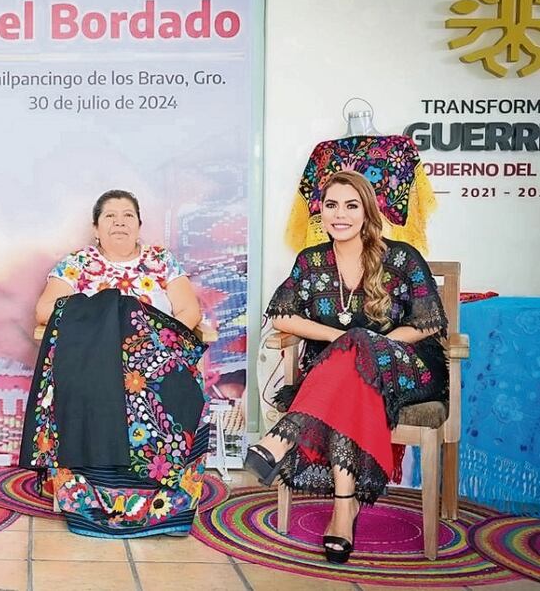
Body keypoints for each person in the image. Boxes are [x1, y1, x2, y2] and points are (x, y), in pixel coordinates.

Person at [245, 169, 448, 564]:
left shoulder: (401, 257)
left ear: (367, 211)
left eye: (351, 205)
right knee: (351, 369)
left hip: (405, 367)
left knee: (357, 346)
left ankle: (280, 440)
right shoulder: (312, 261)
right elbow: (283, 317)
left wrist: (371, 345)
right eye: (332, 205)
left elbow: (427, 323)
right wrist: (344, 341)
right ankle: (344, 510)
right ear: (321, 211)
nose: (340, 214)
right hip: (341, 375)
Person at [23, 189, 208, 538]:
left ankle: (166, 509)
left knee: (174, 388)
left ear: (140, 225)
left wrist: (156, 343)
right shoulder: (77, 264)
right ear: (96, 227)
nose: (119, 221)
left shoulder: (162, 261)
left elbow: (189, 311)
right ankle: (91, 506)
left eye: (127, 215)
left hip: (157, 360)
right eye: (110, 215)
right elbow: (45, 311)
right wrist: (105, 314)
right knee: (96, 388)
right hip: (94, 360)